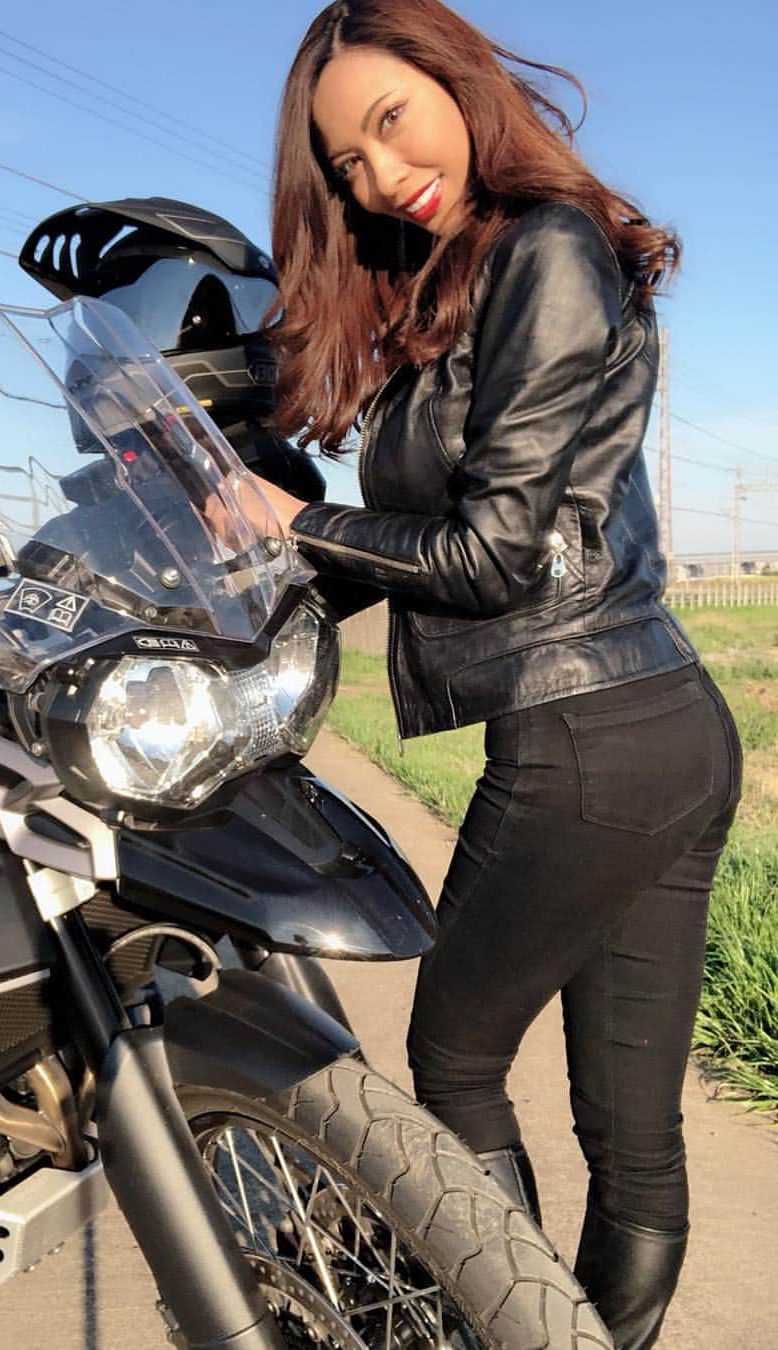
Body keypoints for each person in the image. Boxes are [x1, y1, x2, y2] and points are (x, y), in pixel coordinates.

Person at [244, 3, 742, 1347]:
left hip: (591, 736)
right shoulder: (473, 280)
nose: (379, 173)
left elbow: (490, 554)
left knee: (455, 1058)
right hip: (645, 726)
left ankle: (488, 1327)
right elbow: (433, 544)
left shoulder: (546, 248)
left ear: (456, 83)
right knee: (627, 1128)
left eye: (390, 119)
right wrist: (264, 581)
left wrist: (290, 523)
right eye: (346, 163)